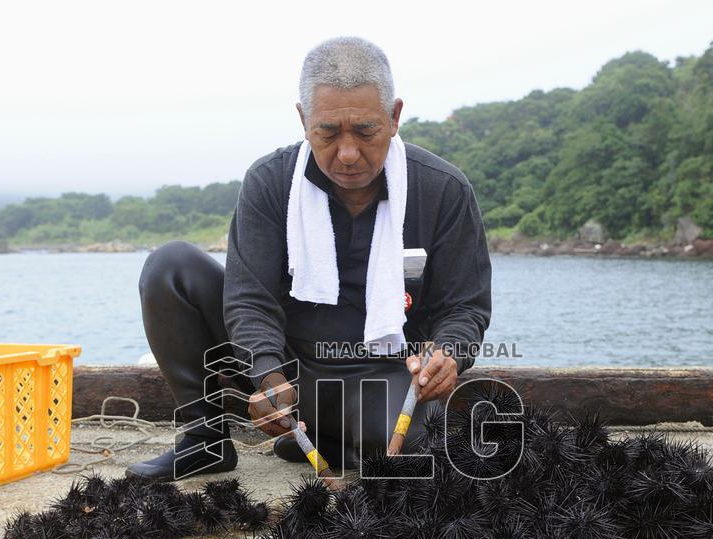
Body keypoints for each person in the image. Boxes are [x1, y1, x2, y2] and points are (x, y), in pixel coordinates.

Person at [127, 36, 491, 481]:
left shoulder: (443, 190)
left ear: (394, 117)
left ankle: (329, 440)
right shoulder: (270, 182)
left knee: (414, 450)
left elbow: (465, 307)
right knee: (171, 268)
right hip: (286, 369)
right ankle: (205, 440)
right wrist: (264, 372)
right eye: (328, 132)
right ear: (303, 120)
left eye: (365, 130)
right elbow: (249, 300)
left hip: (381, 375)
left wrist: (448, 353)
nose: (348, 153)